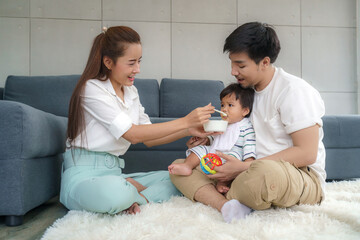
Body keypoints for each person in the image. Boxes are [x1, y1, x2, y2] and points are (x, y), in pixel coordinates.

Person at [170, 22, 326, 223]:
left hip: (296, 174)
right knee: (180, 167)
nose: (233, 71)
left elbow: (307, 153)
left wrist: (243, 169)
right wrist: (206, 145)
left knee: (261, 174)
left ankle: (223, 193)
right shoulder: (246, 95)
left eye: (241, 65)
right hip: (247, 169)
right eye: (232, 63)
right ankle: (226, 205)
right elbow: (237, 137)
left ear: (265, 62)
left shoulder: (294, 91)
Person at [60, 26, 215, 215]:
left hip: (115, 174)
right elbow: (133, 135)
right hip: (83, 179)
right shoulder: (91, 89)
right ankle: (128, 192)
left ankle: (132, 196)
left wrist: (189, 131)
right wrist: (186, 121)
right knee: (114, 192)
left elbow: (148, 138)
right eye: (131, 63)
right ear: (108, 62)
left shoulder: (131, 92)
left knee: (181, 179)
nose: (138, 69)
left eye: (139, 62)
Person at [168, 83, 256, 194]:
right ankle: (187, 165)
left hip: (232, 156)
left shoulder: (246, 127)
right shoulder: (222, 124)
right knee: (200, 150)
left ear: (245, 111)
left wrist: (247, 164)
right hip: (215, 152)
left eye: (230, 105)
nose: (224, 110)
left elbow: (249, 146)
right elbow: (217, 139)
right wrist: (207, 140)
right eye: (222, 105)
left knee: (231, 161)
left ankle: (222, 183)